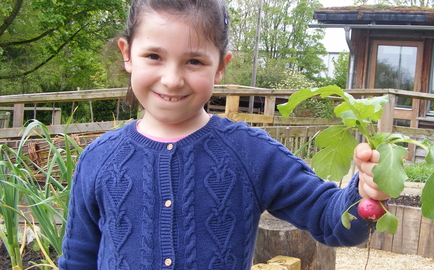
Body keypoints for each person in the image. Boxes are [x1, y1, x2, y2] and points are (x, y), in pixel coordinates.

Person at [59, 0, 390, 269]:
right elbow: (77, 258)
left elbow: (327, 216)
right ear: (127, 53)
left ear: (220, 66)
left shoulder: (250, 152)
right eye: (154, 56)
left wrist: (363, 194)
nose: (172, 79)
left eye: (194, 61)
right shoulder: (98, 159)